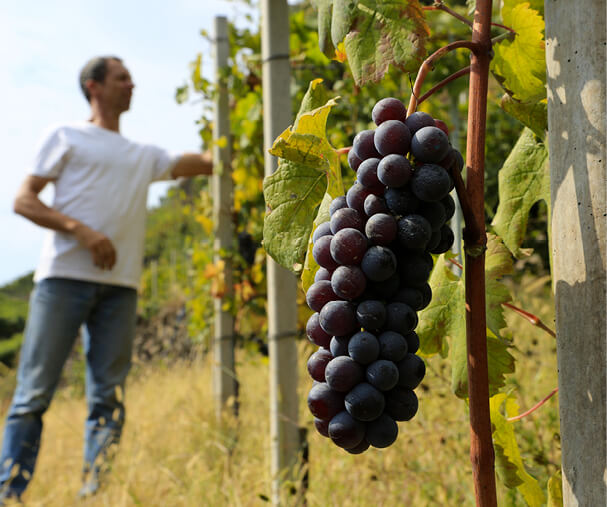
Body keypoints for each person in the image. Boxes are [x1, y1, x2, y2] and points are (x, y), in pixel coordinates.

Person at [0, 56, 213, 502]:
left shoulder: (142, 155)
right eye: (122, 78)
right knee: (33, 394)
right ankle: (9, 492)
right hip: (61, 279)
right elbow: (23, 200)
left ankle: (95, 493)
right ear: (93, 86)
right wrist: (82, 231)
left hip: (121, 287)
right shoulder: (66, 136)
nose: (132, 84)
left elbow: (204, 162)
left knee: (108, 397)